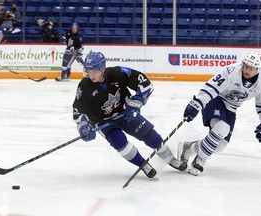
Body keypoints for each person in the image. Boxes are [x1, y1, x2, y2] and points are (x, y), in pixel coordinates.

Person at [72, 51, 187, 179]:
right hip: (103, 122)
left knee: (150, 135)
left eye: (95, 71)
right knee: (120, 143)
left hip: (126, 113)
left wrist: (134, 105)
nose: (91, 74)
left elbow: (145, 84)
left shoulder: (118, 73)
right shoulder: (84, 86)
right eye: (88, 71)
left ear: (103, 68)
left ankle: (170, 159)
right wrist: (84, 127)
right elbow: (78, 111)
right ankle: (143, 165)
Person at [178, 51, 261, 176]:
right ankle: (200, 160)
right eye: (246, 66)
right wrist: (197, 104)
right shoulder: (231, 71)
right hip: (216, 99)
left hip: (232, 108)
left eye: (251, 68)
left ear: (257, 69)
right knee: (221, 128)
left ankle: (189, 147)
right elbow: (212, 87)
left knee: (220, 146)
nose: (247, 70)